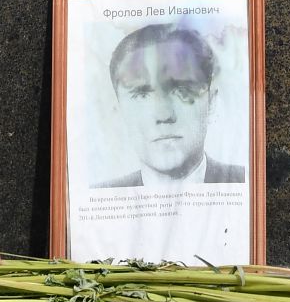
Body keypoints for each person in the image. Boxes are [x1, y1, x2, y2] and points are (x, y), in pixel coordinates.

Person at [96, 21, 245, 188]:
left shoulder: (247, 184)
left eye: (180, 89)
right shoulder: (100, 195)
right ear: (119, 112)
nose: (163, 115)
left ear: (211, 103)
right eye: (141, 93)